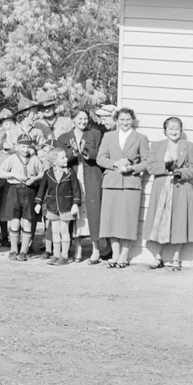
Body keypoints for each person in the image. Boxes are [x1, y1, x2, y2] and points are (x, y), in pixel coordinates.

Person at [143, 117, 193, 271]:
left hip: (180, 187)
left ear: (180, 131)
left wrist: (179, 172)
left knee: (178, 221)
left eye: (177, 128)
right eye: (171, 128)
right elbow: (150, 166)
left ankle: (176, 258)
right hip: (161, 188)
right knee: (160, 220)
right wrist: (166, 167)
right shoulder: (156, 146)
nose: (174, 131)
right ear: (165, 131)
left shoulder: (189, 146)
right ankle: (158, 258)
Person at [97, 107, 149, 268]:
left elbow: (147, 162)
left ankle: (124, 256)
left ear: (132, 120)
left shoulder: (140, 138)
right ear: (117, 121)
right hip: (111, 182)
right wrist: (115, 163)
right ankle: (115, 254)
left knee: (128, 220)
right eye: (122, 119)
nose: (125, 122)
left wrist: (133, 168)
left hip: (130, 183)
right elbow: (100, 158)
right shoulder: (108, 136)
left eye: (128, 119)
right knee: (111, 219)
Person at [57, 110, 106, 263]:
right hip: (73, 176)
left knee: (94, 212)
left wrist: (86, 151)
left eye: (85, 119)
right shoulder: (64, 137)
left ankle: (95, 249)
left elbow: (100, 154)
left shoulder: (96, 134)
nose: (83, 122)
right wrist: (73, 151)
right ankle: (77, 249)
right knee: (76, 213)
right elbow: (62, 156)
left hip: (91, 176)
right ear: (73, 119)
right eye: (79, 119)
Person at [0, 134, 45, 261]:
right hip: (14, 190)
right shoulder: (12, 158)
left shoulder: (34, 159)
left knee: (27, 222)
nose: (25, 149)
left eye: (28, 147)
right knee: (15, 222)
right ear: (17, 146)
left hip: (29, 191)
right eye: (23, 146)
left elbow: (43, 172)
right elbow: (0, 173)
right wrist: (13, 174)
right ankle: (13, 249)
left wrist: (35, 178)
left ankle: (24, 251)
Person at [34, 147, 82, 266]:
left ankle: (64, 255)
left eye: (66, 156)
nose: (66, 159)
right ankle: (56, 254)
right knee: (55, 230)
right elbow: (42, 189)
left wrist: (76, 204)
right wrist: (38, 203)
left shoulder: (70, 172)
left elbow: (76, 189)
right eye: (63, 157)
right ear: (54, 161)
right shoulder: (48, 173)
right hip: (52, 206)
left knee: (64, 230)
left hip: (66, 206)